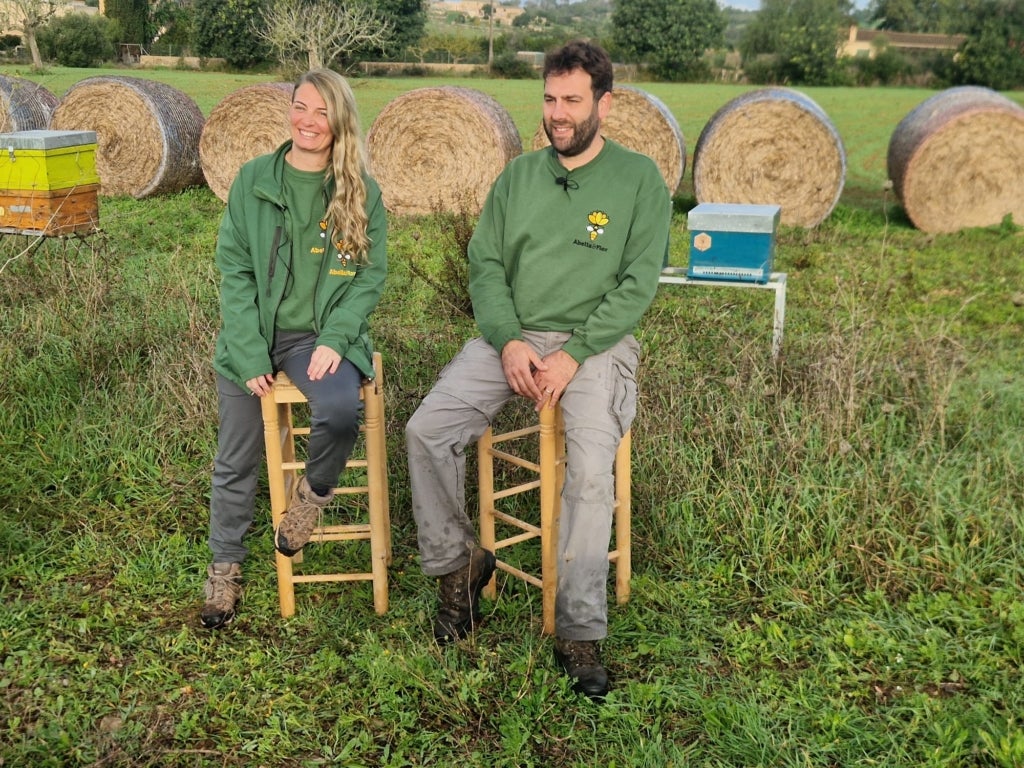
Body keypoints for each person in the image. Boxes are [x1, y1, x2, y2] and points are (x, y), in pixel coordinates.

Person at [405, 40, 670, 699]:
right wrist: (508, 341)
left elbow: (637, 284)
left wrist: (574, 353)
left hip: (595, 345)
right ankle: (460, 570)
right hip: (514, 339)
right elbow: (486, 266)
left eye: (572, 100)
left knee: (590, 470)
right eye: (550, 99)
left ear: (605, 104)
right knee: (426, 430)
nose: (558, 113)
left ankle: (578, 629)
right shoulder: (518, 177)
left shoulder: (639, 180)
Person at [200, 69, 387, 629]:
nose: (308, 121)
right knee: (236, 458)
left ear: (340, 120)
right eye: (300, 107)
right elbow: (234, 269)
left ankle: (312, 496)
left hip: (318, 337)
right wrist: (247, 351)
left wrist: (336, 337)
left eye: (321, 112)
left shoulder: (359, 190)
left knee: (340, 408)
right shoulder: (254, 179)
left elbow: (368, 278)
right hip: (253, 334)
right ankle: (225, 569)